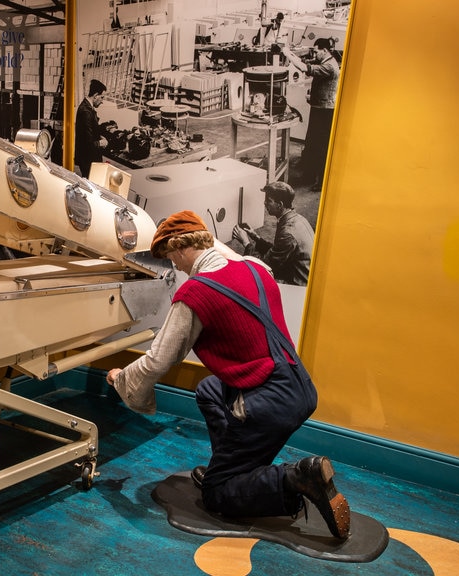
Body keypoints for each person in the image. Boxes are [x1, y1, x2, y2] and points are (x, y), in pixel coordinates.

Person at [105, 210, 351, 539]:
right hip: (299, 386)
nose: (174, 267)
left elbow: (157, 362)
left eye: (170, 257)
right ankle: (232, 467)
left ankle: (297, 477)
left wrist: (120, 378)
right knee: (209, 390)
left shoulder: (194, 294)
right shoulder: (256, 268)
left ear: (179, 250)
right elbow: (227, 255)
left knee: (217, 495)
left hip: (267, 403)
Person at [283, 38, 340, 190]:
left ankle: (320, 182)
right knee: (312, 143)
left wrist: (288, 54)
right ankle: (309, 176)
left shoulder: (329, 66)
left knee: (320, 146)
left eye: (316, 51)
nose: (315, 55)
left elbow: (304, 68)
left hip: (325, 111)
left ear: (324, 50)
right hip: (319, 107)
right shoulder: (329, 62)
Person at [232, 181, 315, 286]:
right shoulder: (296, 219)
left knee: (247, 275)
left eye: (268, 200)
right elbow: (277, 251)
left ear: (280, 205)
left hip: (297, 284)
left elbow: (264, 265)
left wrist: (246, 243)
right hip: (296, 270)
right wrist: (255, 237)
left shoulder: (287, 233)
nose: (264, 203)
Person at [74, 79, 108, 178]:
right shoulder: (85, 111)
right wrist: (101, 143)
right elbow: (87, 142)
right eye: (102, 97)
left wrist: (100, 137)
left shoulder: (88, 108)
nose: (102, 101)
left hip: (89, 158)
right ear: (95, 95)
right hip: (88, 159)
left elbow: (88, 132)